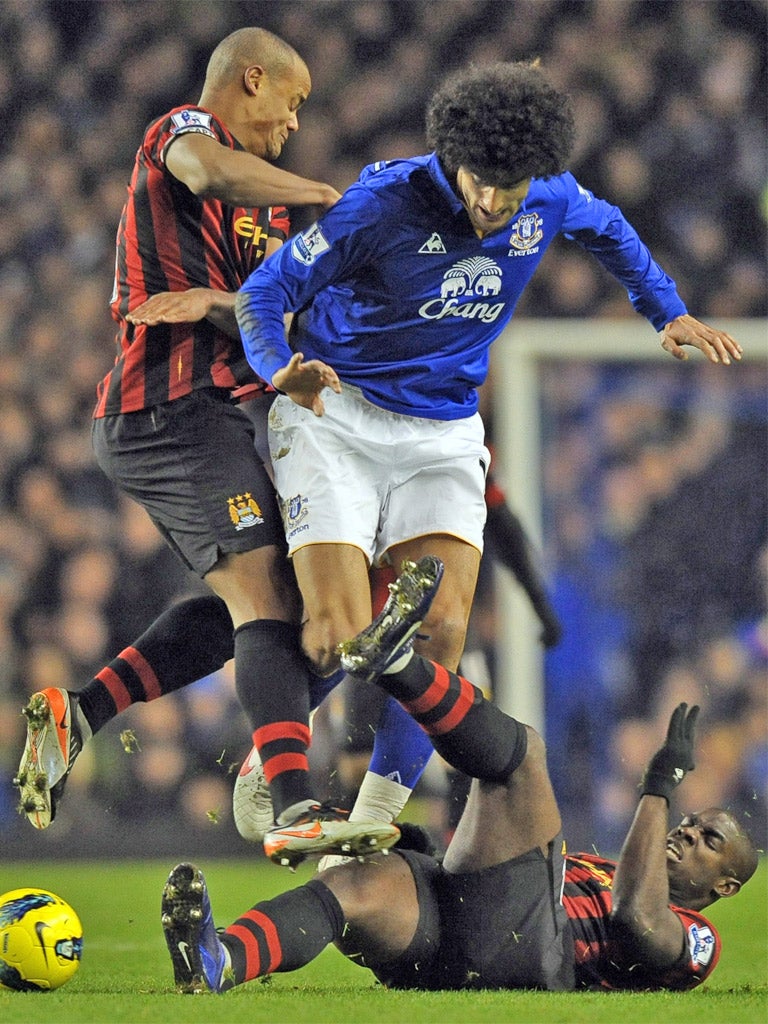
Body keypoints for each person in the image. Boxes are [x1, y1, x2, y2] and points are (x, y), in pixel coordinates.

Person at [232, 60, 743, 753]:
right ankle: (278, 755)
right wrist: (276, 367)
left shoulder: (550, 196)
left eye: (513, 189)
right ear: (452, 157)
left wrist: (667, 311)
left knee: (440, 641)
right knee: (333, 641)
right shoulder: (381, 204)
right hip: (337, 412)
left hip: (440, 425)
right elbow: (264, 290)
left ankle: (374, 817)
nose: (495, 203)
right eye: (480, 182)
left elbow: (611, 228)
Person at [13, 25, 400, 866]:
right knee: (266, 601)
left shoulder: (260, 208)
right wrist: (324, 194)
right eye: (291, 104)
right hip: (165, 409)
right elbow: (206, 170)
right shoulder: (185, 132)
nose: (294, 122)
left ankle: (80, 713)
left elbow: (268, 313)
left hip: (211, 412)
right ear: (250, 80)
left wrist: (232, 306)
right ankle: (293, 803)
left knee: (271, 608)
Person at [160, 555, 758, 993]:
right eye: (693, 823)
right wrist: (405, 838)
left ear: (724, 887)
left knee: (524, 757)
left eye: (709, 840)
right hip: (455, 942)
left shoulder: (695, 938)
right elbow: (486, 862)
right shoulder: (598, 869)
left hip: (529, 956)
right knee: (356, 887)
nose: (687, 832)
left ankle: (397, 661)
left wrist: (657, 788)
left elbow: (636, 918)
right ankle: (221, 960)